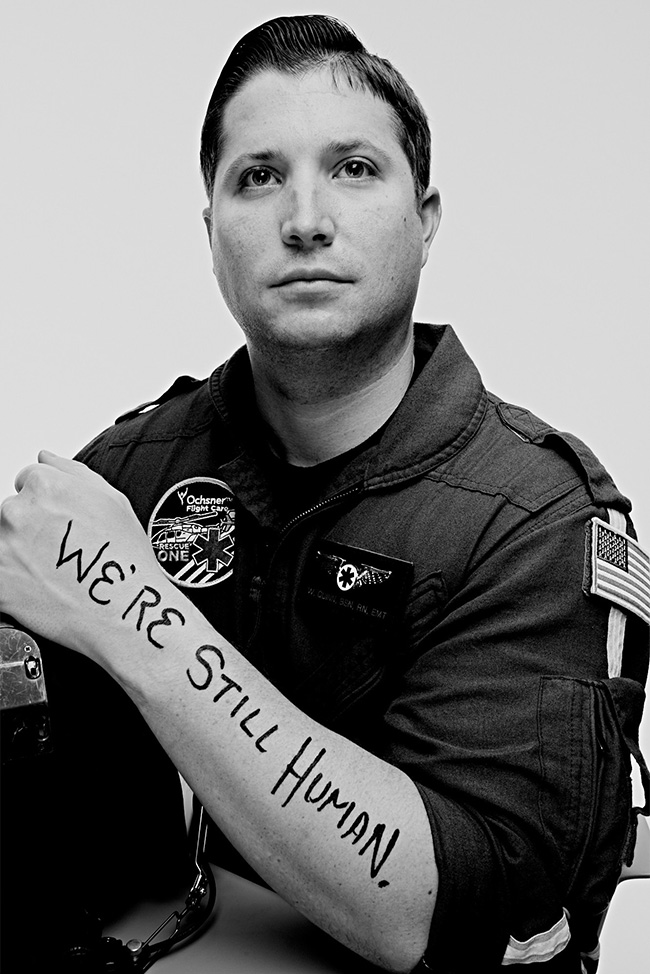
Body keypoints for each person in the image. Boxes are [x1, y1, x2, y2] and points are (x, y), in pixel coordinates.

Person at [0, 13, 648, 973]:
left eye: (353, 168)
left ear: (426, 219)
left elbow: (457, 909)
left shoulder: (535, 518)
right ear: (211, 232)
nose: (305, 220)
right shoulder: (134, 468)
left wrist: (127, 605)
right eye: (258, 177)